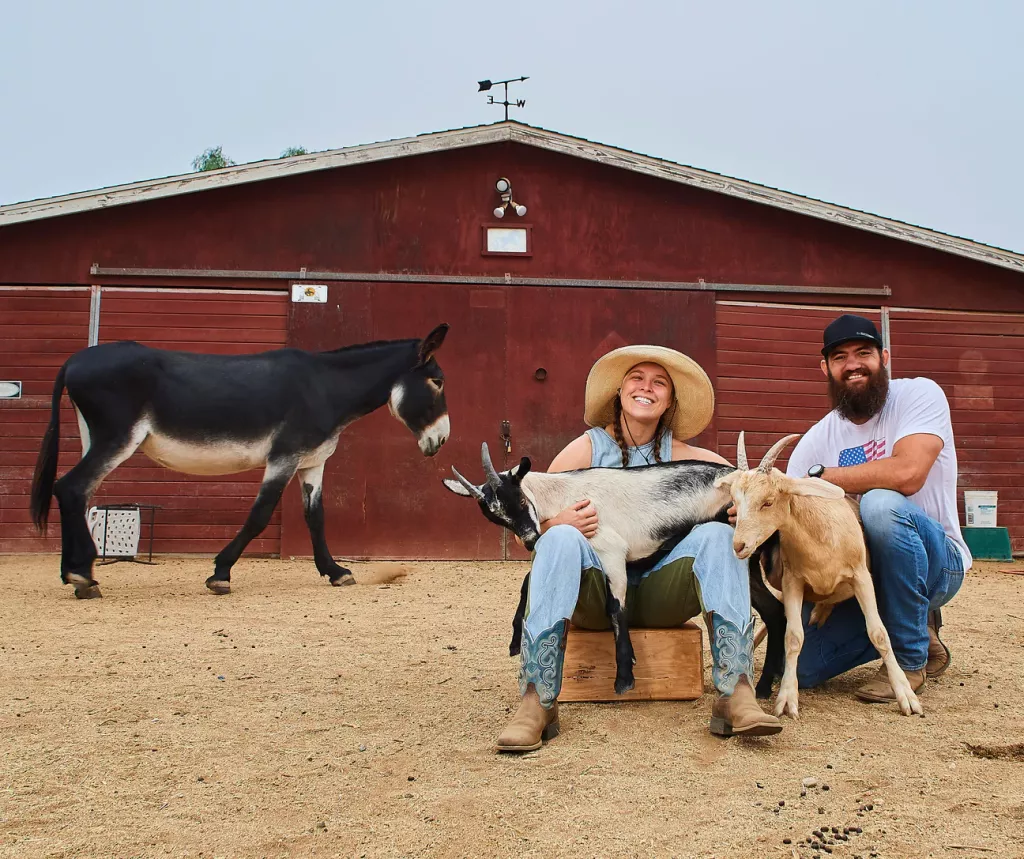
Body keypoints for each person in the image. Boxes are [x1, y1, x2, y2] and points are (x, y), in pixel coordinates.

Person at [497, 345, 782, 753]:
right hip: (595, 596)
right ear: (619, 392)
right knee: (560, 538)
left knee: (719, 536)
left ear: (669, 401)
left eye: (659, 383)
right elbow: (523, 514)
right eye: (637, 378)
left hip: (663, 593)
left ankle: (735, 692)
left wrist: (742, 511)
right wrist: (552, 524)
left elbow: (753, 491)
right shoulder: (585, 450)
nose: (646, 388)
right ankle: (536, 700)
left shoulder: (689, 458)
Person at [785, 314, 969, 703]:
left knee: (881, 504)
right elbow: (790, 509)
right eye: (840, 357)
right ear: (826, 368)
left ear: (884, 357)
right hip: (859, 575)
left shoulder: (919, 395)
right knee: (804, 669)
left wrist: (822, 478)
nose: (853, 364)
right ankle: (918, 625)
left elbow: (908, 474)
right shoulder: (818, 437)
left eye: (863, 352)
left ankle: (908, 659)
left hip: (938, 561)